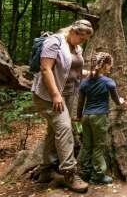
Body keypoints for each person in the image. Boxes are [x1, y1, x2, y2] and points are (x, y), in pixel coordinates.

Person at [31, 20, 94, 193]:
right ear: (74, 32)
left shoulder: (76, 48)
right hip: (48, 96)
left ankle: (45, 170)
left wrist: (92, 74)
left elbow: (74, 71)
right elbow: (46, 69)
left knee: (53, 131)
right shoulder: (54, 41)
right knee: (65, 128)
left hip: (66, 96)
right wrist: (55, 95)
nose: (82, 42)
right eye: (81, 38)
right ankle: (69, 173)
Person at [74, 52, 125, 185]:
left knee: (86, 146)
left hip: (86, 117)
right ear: (104, 65)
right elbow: (116, 100)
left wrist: (78, 117)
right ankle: (97, 176)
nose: (110, 68)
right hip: (99, 117)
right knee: (98, 147)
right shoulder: (109, 82)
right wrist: (122, 101)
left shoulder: (85, 82)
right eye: (109, 65)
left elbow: (80, 103)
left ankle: (84, 172)